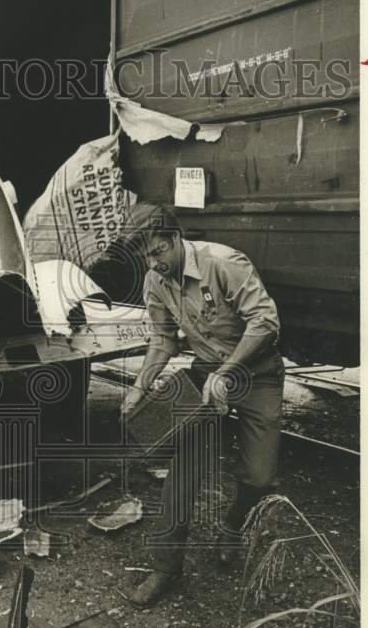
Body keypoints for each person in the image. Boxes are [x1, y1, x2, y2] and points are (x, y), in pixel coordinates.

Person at [121, 204, 284, 607]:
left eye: (157, 252)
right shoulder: (155, 281)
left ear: (175, 239)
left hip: (255, 373)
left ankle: (232, 527)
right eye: (146, 257)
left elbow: (266, 322)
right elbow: (163, 340)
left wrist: (227, 372)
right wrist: (140, 387)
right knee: (182, 475)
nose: (153, 263)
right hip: (204, 377)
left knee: (259, 478)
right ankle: (165, 568)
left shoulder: (223, 263)